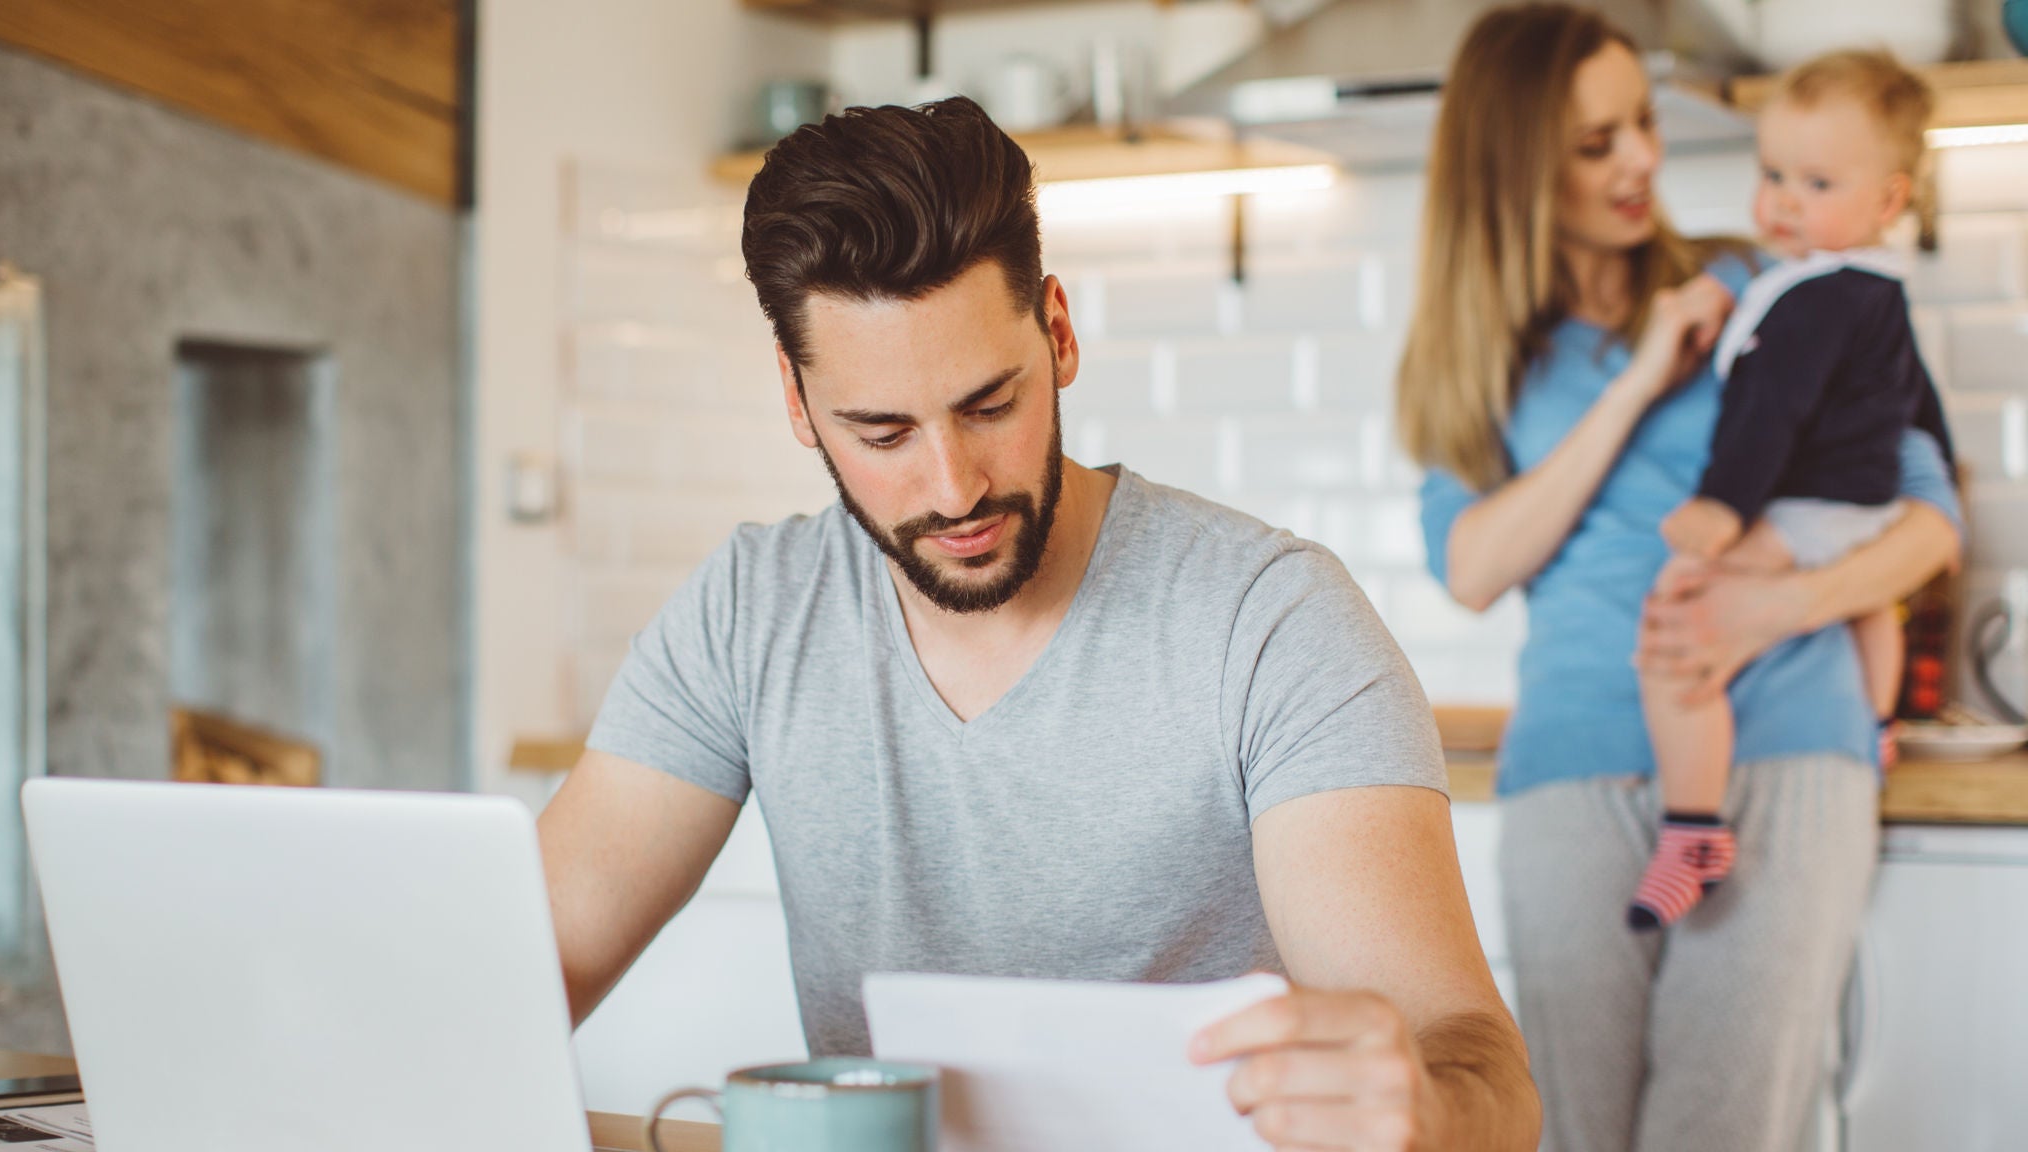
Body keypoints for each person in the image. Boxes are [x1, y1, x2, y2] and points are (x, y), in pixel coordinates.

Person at [538, 97, 1540, 1149]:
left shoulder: (1269, 621)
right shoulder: (751, 613)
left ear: (1056, 333)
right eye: (880, 432)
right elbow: (522, 974)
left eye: (988, 405)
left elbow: (1475, 1063)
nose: (954, 486)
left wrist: (1429, 1105)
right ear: (796, 401)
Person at [1396, 6, 1961, 1152]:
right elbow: (1471, 567)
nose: (1642, 162)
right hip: (1568, 779)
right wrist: (1638, 379)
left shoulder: (1768, 285)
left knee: (1723, 1131)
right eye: (1594, 143)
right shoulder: (1469, 359)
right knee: (1567, 1131)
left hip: (1784, 753)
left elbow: (1927, 518)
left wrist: (1781, 604)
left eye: (1640, 124)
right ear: (1514, 168)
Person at [1632, 49, 1956, 930]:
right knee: (1868, 609)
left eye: (1814, 182)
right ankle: (1878, 724)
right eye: (1772, 173)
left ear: (1889, 202)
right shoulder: (1876, 294)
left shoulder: (1814, 299)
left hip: (1808, 508)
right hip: (1863, 507)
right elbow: (1914, 424)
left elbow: (1767, 417)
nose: (1780, 200)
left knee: (1675, 613)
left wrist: (1723, 510)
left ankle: (1691, 826)